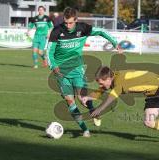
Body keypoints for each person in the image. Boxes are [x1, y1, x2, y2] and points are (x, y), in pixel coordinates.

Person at [47, 7, 122, 137]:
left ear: (76, 20)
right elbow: (49, 51)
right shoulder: (57, 31)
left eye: (70, 22)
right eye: (66, 22)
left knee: (82, 98)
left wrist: (115, 43)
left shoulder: (83, 28)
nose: (68, 25)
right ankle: (85, 130)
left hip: (76, 69)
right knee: (70, 101)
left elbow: (101, 31)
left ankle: (93, 111)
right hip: (60, 72)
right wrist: (53, 65)